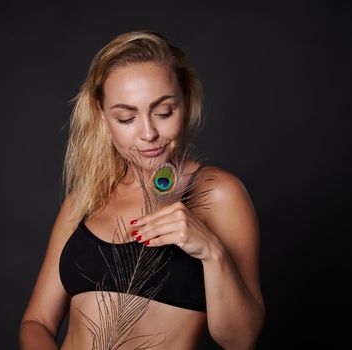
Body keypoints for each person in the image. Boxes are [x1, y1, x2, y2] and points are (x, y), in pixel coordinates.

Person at [19, 30, 265, 350]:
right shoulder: (86, 199)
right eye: (126, 117)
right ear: (102, 115)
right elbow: (36, 322)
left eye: (163, 112)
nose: (148, 133)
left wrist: (211, 252)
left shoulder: (218, 194)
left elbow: (241, 340)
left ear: (186, 100)